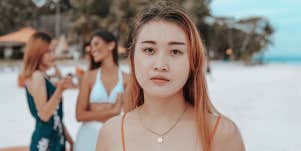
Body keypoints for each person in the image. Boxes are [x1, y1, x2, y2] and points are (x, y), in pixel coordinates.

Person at [96, 2, 245, 151]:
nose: (160, 65)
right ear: (133, 59)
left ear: (193, 62)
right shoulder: (111, 133)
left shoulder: (222, 133)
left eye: (175, 52)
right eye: (149, 50)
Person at [74, 30, 128, 151]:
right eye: (91, 46)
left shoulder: (126, 79)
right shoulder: (88, 77)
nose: (92, 49)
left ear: (111, 45)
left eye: (96, 44)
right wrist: (112, 111)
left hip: (113, 137)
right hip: (88, 137)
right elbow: (79, 115)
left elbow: (129, 116)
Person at [21, 32, 74, 151]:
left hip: (56, 140)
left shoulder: (43, 76)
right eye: (48, 52)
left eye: (53, 51)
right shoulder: (37, 76)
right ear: (37, 53)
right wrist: (59, 90)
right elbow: (45, 115)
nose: (53, 55)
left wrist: (70, 140)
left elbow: (56, 117)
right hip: (45, 143)